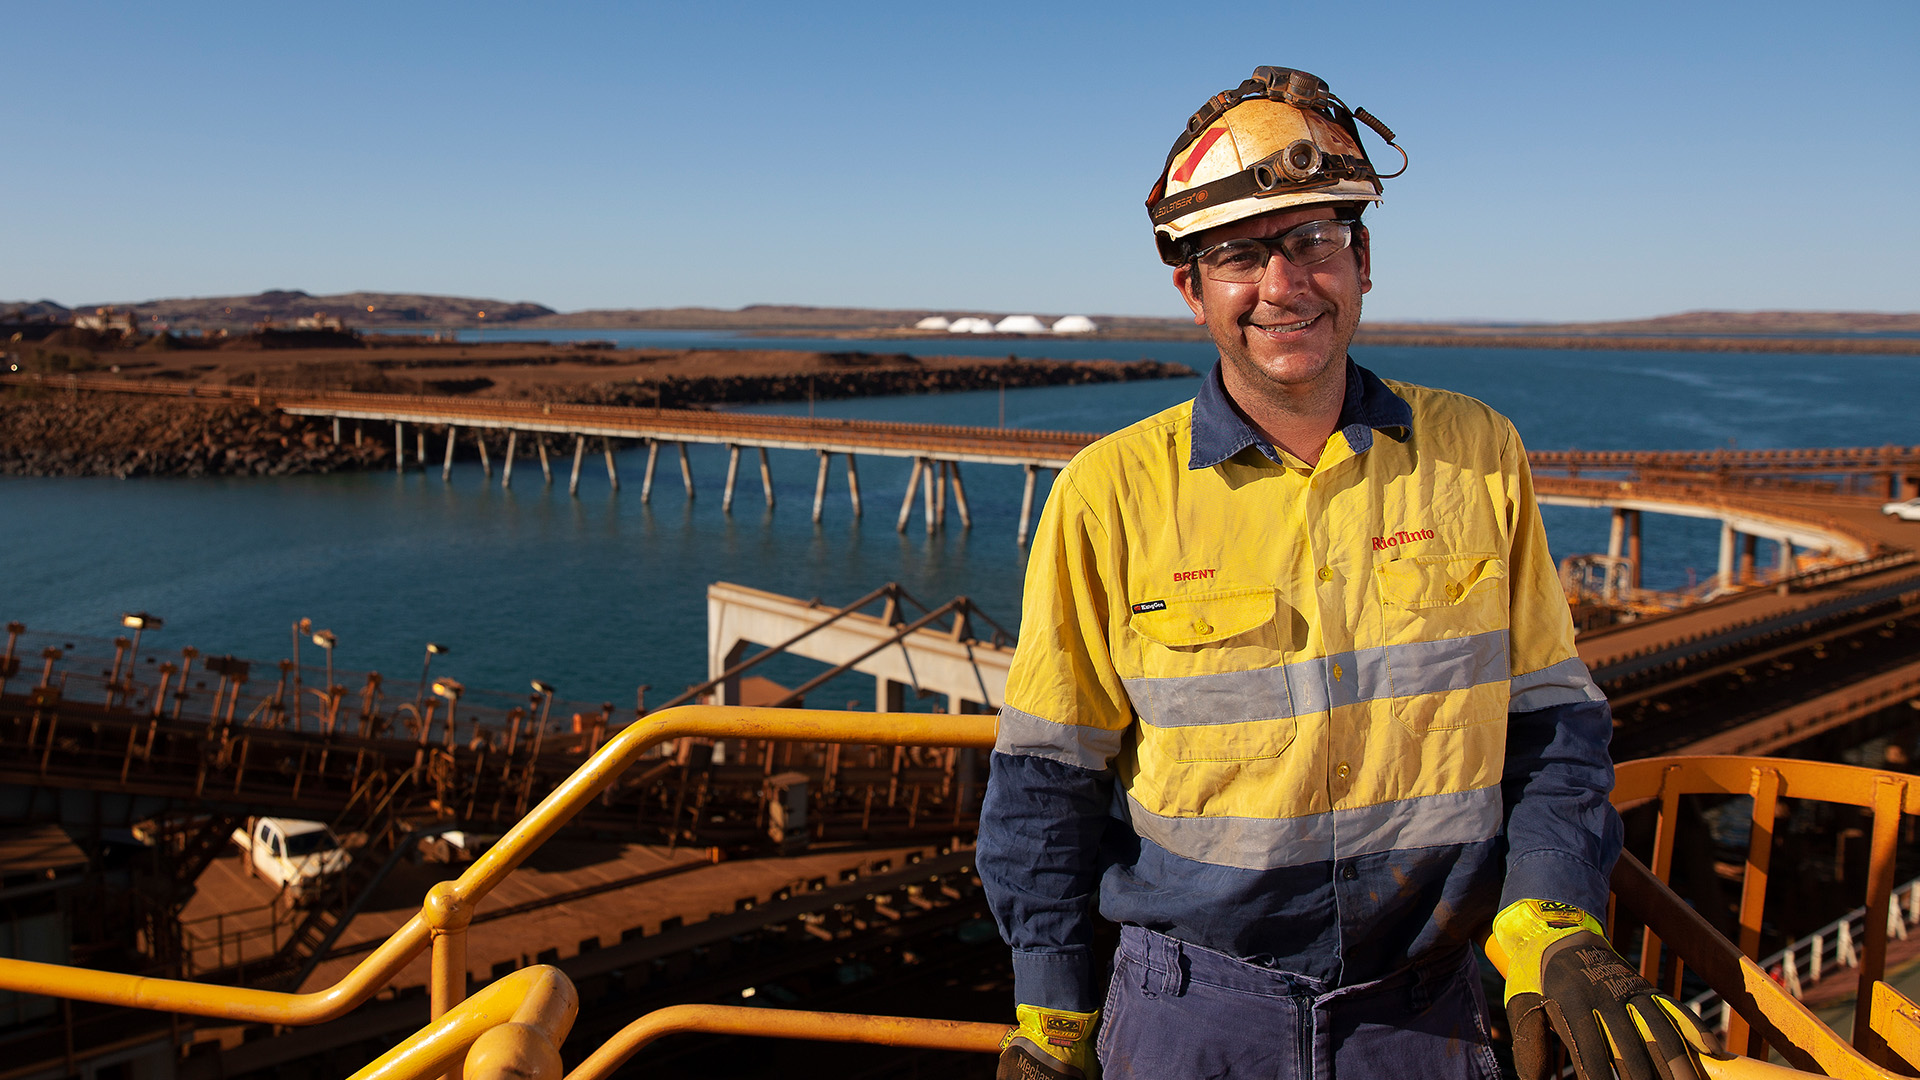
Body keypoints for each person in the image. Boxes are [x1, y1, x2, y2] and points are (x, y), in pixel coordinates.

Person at [976, 67, 1719, 1080]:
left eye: (1312, 241)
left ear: (1361, 260)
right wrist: (1054, 1013)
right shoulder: (1107, 494)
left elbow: (1550, 720)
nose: (1283, 285)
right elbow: (1048, 777)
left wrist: (1550, 913)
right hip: (1191, 1012)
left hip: (1427, 1009)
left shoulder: (1477, 451)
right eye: (1238, 254)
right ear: (1192, 289)